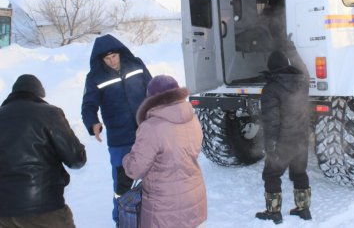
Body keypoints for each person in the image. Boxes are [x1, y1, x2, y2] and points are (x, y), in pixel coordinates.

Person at [81, 34, 152, 226]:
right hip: (119, 138)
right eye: (107, 58)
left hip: (145, 133)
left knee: (152, 176)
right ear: (101, 59)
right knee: (123, 183)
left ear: (120, 53)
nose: (112, 61)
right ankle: (122, 217)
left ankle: (150, 216)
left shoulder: (136, 65)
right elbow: (88, 105)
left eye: (114, 56)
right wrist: (92, 123)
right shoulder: (95, 77)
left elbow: (152, 90)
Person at [0, 74, 86, 228]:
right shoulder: (49, 113)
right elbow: (76, 159)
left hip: (4, 212)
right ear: (39, 94)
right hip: (45, 208)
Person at [122, 75, 207, 228]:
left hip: (164, 205)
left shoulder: (151, 127)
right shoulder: (193, 119)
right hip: (193, 196)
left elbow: (135, 169)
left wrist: (126, 158)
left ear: (151, 99)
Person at [255, 41, 312, 225]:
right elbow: (302, 68)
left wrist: (269, 145)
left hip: (282, 141)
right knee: (300, 173)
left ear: (271, 68)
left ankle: (273, 212)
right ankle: (303, 209)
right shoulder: (302, 81)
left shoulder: (270, 89)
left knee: (271, 175)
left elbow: (271, 121)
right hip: (302, 139)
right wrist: (292, 49)